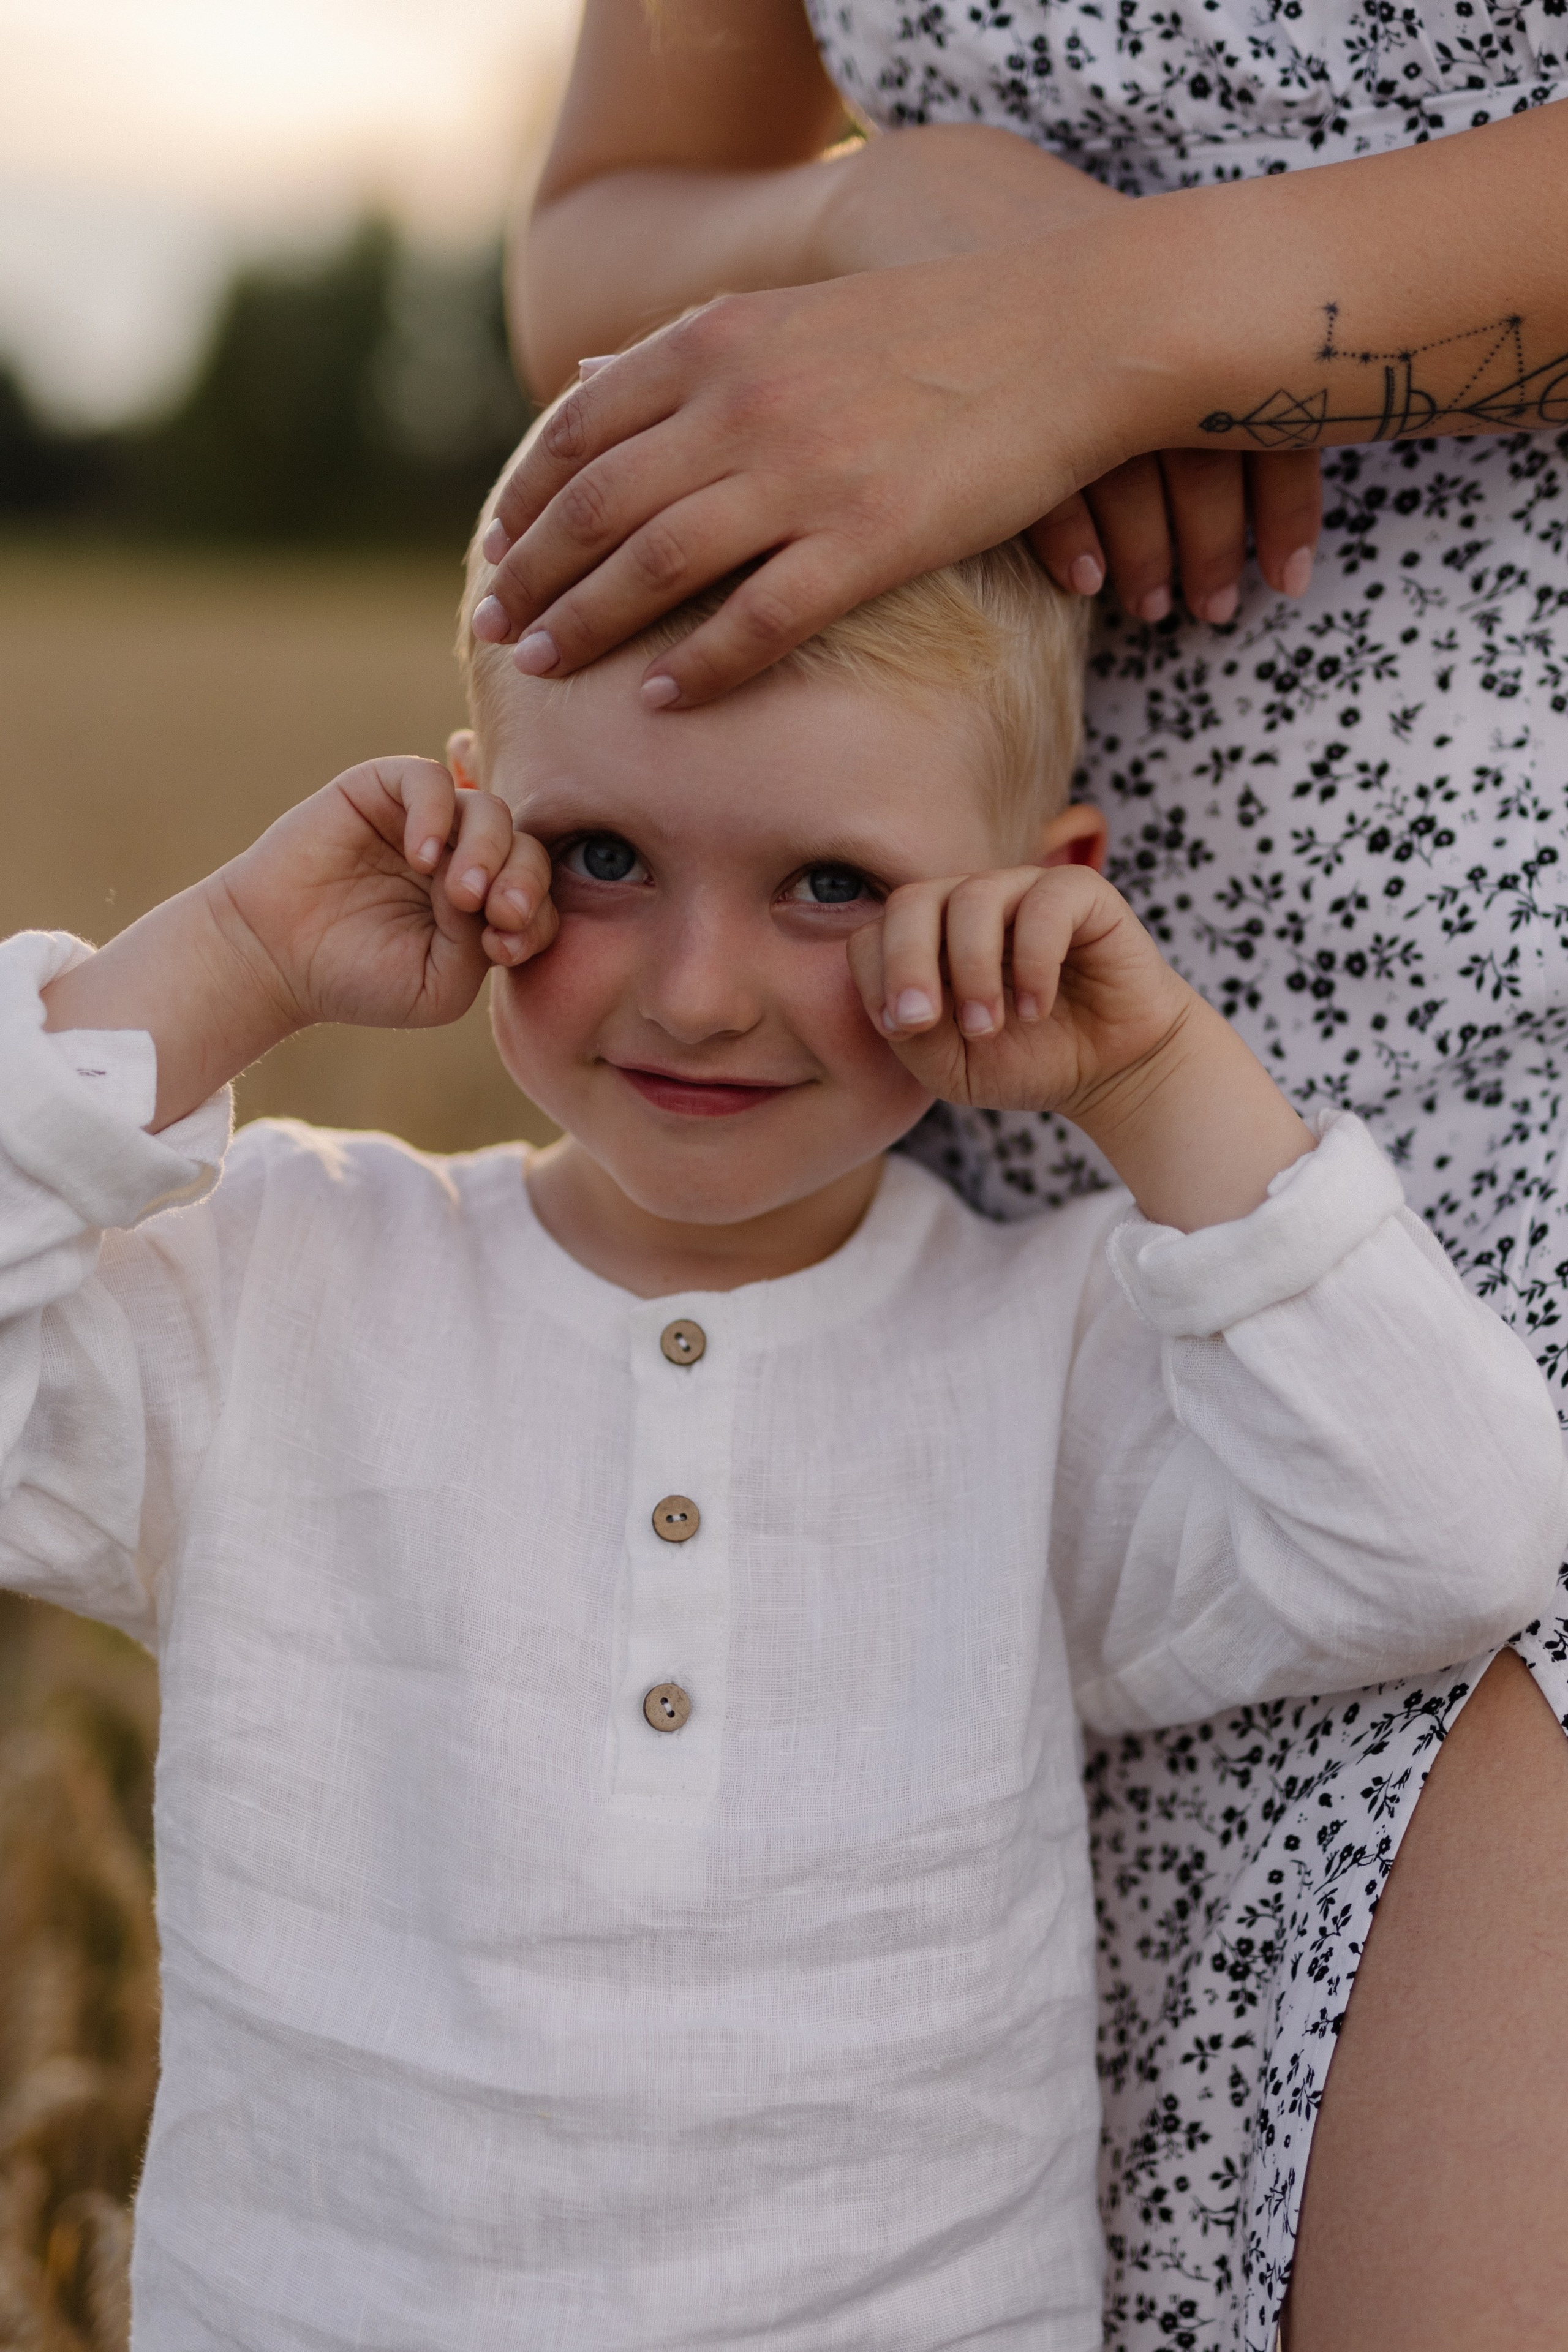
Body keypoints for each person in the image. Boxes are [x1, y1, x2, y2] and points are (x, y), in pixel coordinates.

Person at [5, 432, 1562, 2345]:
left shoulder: (1053, 1350)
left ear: (1036, 897)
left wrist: (1150, 1074)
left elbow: (1454, 1533)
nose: (697, 990)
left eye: (831, 883)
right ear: (470, 828)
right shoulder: (280, 1281)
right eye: (602, 858)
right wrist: (237, 954)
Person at [471, 10, 1568, 2344]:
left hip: (1511, 1083)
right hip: (984, 1105)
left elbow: (1460, 1525)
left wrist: (1117, 328)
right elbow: (595, 233)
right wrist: (868, 219)